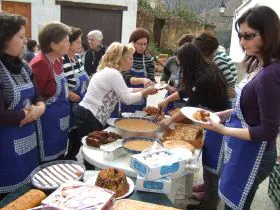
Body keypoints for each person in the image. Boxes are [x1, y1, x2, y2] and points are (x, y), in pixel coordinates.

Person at [195, 6, 279, 210]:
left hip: (256, 154)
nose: (242, 42)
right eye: (241, 36)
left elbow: (267, 130)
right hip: (242, 149)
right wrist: (224, 114)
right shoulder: (257, 65)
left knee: (235, 206)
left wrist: (222, 130)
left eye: (249, 36)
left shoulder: (270, 74)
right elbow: (251, 109)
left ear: (268, 33)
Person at [158, 43, 229, 210]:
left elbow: (189, 106)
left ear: (188, 62)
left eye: (181, 63)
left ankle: (208, 204)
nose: (180, 68)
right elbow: (186, 90)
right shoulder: (203, 68)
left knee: (212, 166)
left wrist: (169, 120)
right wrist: (167, 99)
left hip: (219, 122)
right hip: (212, 120)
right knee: (208, 161)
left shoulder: (205, 77)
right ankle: (208, 190)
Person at [0, 13, 45, 197]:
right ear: (5, 39)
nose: (25, 41)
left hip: (28, 144)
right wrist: (28, 113)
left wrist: (41, 107)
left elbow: (38, 95)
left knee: (29, 192)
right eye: (20, 36)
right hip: (6, 148)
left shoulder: (25, 67)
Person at [76, 42, 158, 141]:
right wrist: (145, 92)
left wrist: (144, 90)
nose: (132, 62)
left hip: (88, 114)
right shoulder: (113, 73)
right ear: (120, 59)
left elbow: (123, 90)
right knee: (93, 148)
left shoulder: (110, 71)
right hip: (90, 116)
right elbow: (127, 99)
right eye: (130, 59)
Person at [30, 22, 70, 162]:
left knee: (59, 158)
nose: (68, 44)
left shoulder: (57, 59)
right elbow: (33, 97)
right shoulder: (40, 64)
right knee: (49, 165)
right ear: (53, 45)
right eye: (65, 41)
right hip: (47, 124)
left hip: (60, 121)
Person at [63, 26, 89, 160]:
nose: (81, 44)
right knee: (71, 133)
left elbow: (84, 76)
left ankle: (72, 156)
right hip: (69, 104)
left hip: (81, 101)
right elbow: (60, 82)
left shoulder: (78, 58)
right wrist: (68, 93)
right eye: (78, 42)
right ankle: (68, 158)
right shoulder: (63, 60)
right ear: (69, 43)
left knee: (78, 134)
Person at [193, 32, 237, 107]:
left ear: (205, 51)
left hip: (227, 104)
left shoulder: (218, 60)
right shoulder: (219, 56)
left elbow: (232, 91)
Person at [120, 28, 156, 113]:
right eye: (139, 44)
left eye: (145, 44)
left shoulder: (149, 60)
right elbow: (126, 78)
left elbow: (151, 79)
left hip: (141, 100)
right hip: (125, 98)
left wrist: (152, 86)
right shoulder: (126, 57)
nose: (143, 47)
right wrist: (143, 80)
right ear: (132, 43)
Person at [160, 34, 194, 114]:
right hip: (170, 101)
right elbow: (162, 81)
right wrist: (168, 87)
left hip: (188, 103)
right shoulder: (171, 61)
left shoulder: (195, 66)